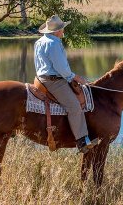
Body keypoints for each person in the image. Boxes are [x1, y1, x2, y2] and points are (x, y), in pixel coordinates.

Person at [34, 15, 98, 153]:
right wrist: (75, 78)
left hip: (41, 78)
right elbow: (61, 68)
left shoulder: (40, 41)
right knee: (74, 106)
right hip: (53, 81)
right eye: (62, 29)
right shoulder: (54, 43)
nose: (63, 31)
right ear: (57, 31)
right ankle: (82, 141)